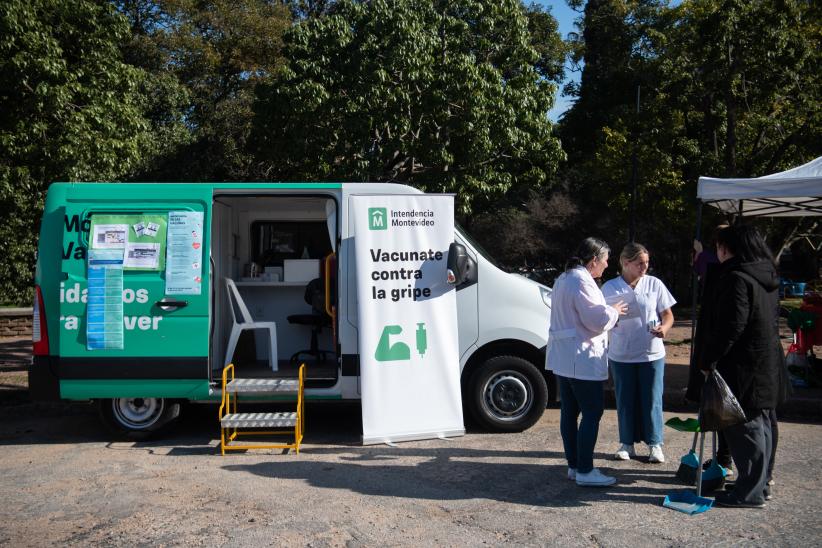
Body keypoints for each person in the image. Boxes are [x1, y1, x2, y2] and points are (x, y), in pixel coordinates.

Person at [700, 224, 785, 508]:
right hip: (765, 362)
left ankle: (749, 492)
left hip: (743, 366)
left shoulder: (737, 278)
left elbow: (730, 326)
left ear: (727, 248)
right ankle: (760, 485)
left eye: (718, 247)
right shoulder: (765, 275)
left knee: (746, 428)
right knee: (763, 424)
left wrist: (709, 358)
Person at [546, 238, 628, 487]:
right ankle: (584, 469)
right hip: (580, 356)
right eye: (604, 261)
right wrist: (614, 310)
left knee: (570, 413)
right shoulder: (582, 280)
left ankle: (574, 466)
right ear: (593, 260)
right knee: (592, 412)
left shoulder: (564, 277)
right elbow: (595, 319)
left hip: (564, 355)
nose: (606, 266)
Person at [602, 243, 676, 464]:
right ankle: (627, 443)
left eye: (647, 263)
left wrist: (664, 328)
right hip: (621, 354)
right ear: (626, 263)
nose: (645, 267)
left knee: (652, 398)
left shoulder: (654, 284)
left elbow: (668, 314)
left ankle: (655, 444)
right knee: (625, 399)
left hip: (651, 353)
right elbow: (601, 318)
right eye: (640, 263)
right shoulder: (609, 288)